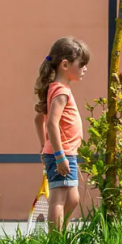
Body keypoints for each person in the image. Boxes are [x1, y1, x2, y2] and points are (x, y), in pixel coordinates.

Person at [33, 36, 89, 231]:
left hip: (65, 154)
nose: (85, 69)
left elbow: (38, 119)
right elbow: (51, 124)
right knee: (58, 199)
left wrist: (44, 145)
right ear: (65, 65)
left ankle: (59, 233)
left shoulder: (54, 89)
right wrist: (58, 155)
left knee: (72, 199)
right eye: (81, 64)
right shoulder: (61, 92)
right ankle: (55, 243)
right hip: (62, 154)